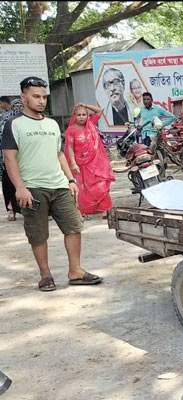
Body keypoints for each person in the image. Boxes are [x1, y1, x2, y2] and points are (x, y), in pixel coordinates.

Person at [2, 77, 102, 292]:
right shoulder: (14, 125)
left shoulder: (52, 124)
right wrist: (20, 188)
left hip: (60, 185)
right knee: (38, 234)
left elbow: (59, 154)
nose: (41, 101)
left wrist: (71, 180)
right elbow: (9, 158)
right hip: (33, 188)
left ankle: (75, 271)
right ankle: (46, 275)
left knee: (74, 227)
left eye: (44, 97)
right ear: (24, 97)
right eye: (35, 96)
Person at [64, 103, 115, 220]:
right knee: (82, 188)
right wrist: (73, 163)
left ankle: (105, 209)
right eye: (79, 115)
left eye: (84, 115)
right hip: (80, 163)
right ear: (74, 116)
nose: (82, 117)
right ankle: (82, 211)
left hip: (96, 163)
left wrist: (85, 105)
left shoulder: (90, 124)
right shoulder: (71, 130)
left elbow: (99, 111)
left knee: (100, 184)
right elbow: (70, 148)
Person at [1, 98, 21, 221]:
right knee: (8, 185)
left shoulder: (26, 121)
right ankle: (11, 209)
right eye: (16, 106)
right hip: (6, 158)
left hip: (24, 159)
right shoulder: (4, 120)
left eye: (21, 106)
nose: (19, 108)